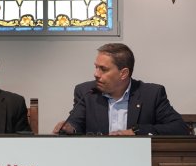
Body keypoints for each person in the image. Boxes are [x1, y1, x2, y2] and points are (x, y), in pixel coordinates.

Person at [53, 43, 188, 136]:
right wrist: (69, 127)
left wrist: (136, 132)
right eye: (96, 67)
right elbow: (76, 122)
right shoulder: (86, 92)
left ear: (123, 73)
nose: (96, 74)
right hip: (96, 161)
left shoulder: (151, 94)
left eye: (103, 69)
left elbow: (179, 128)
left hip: (138, 162)